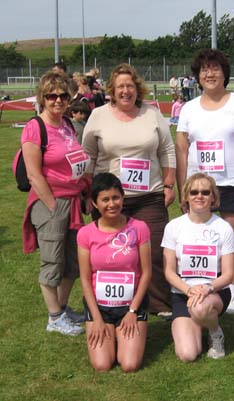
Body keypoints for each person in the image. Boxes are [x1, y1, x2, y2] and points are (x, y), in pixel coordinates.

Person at [82, 63, 176, 317]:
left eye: (130, 86)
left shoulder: (152, 113)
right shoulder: (98, 115)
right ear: (112, 90)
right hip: (108, 199)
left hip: (149, 196)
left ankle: (160, 304)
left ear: (137, 89)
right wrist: (89, 193)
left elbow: (167, 150)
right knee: (110, 255)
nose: (126, 91)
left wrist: (169, 184)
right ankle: (110, 304)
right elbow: (88, 155)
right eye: (120, 86)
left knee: (155, 251)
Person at [176, 49, 234, 314]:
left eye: (215, 69)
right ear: (197, 76)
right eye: (204, 70)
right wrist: (183, 188)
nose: (209, 73)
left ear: (225, 74)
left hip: (232, 182)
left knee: (230, 238)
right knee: (202, 238)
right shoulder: (189, 109)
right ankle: (202, 284)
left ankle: (232, 289)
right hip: (198, 184)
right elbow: (181, 150)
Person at [21, 72, 91, 335]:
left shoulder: (67, 125)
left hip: (72, 202)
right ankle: (54, 317)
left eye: (63, 95)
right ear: (43, 98)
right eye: (52, 96)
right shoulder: (35, 127)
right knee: (52, 261)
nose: (58, 100)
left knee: (72, 262)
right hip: (51, 202)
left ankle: (61, 308)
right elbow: (33, 174)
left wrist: (83, 193)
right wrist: (51, 206)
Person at [77, 173, 152, 372]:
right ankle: (112, 330)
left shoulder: (139, 228)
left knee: (130, 364)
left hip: (131, 305)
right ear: (94, 203)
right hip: (99, 307)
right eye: (105, 199)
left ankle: (125, 332)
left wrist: (133, 311)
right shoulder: (85, 234)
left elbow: (146, 273)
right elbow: (84, 279)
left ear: (123, 198)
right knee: (102, 365)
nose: (112, 204)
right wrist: (97, 318)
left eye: (116, 197)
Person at [162, 173, 234, 361]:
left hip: (215, 292)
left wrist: (207, 288)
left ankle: (215, 333)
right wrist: (188, 290)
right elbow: (169, 271)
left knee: (201, 307)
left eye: (205, 192)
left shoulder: (223, 227)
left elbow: (229, 274)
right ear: (186, 196)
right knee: (187, 354)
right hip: (182, 293)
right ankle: (198, 322)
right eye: (194, 192)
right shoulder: (174, 226)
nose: (199, 196)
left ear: (213, 197)